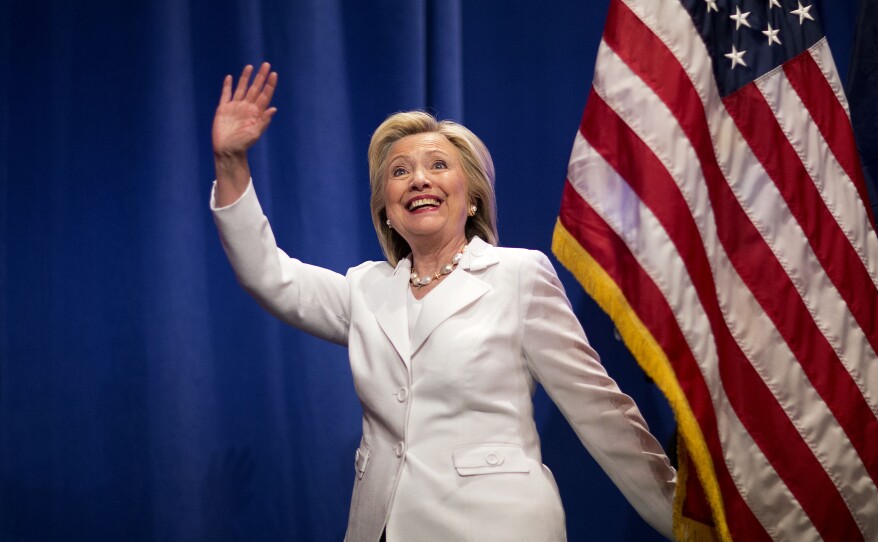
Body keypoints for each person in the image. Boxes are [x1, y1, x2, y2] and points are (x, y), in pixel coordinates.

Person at [210, 62, 676, 542]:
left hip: (498, 527)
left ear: (471, 196)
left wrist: (687, 522)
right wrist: (230, 163)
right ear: (386, 209)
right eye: (400, 171)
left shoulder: (518, 275)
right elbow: (269, 275)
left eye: (437, 165)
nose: (418, 180)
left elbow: (600, 411)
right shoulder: (365, 289)